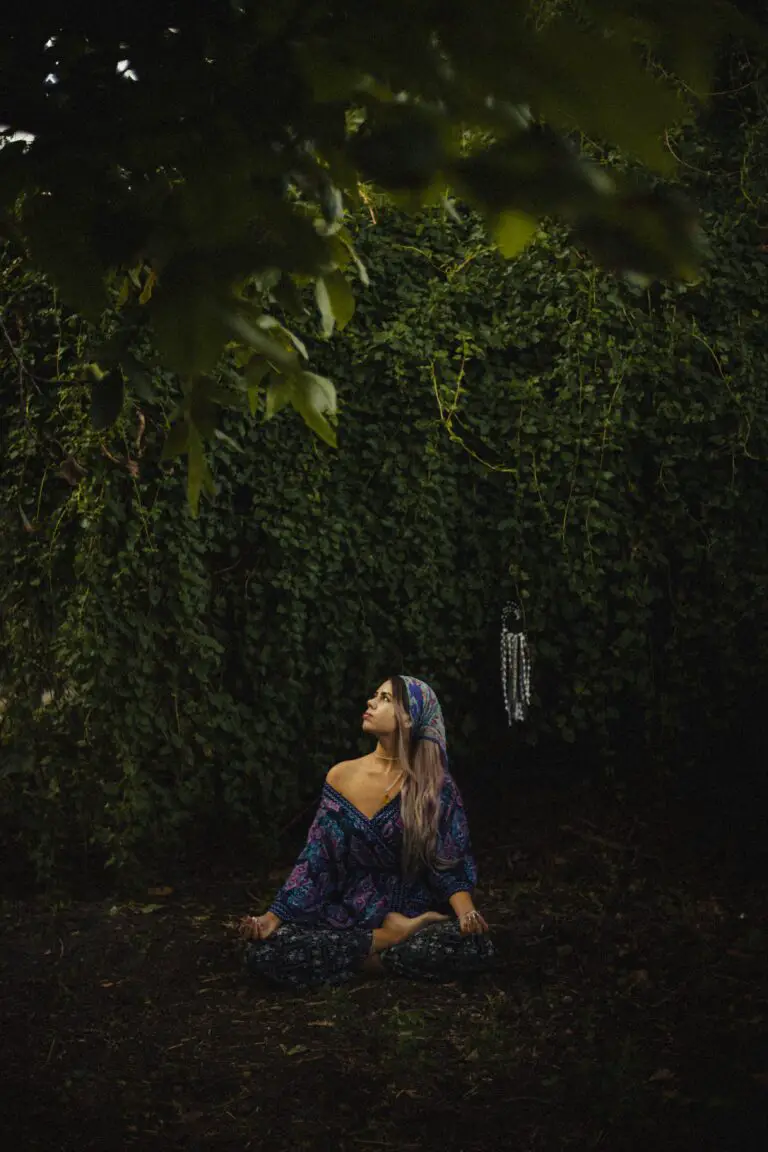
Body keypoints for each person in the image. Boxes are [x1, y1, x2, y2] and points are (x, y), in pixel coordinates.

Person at [239, 675, 496, 989]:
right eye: (375, 695)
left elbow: (449, 865)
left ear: (409, 717)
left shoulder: (433, 786)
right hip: (347, 916)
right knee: (264, 952)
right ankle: (388, 940)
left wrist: (467, 915)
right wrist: (272, 917)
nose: (371, 703)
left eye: (386, 699)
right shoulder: (341, 776)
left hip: (412, 909)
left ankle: (351, 958)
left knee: (475, 947)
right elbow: (317, 861)